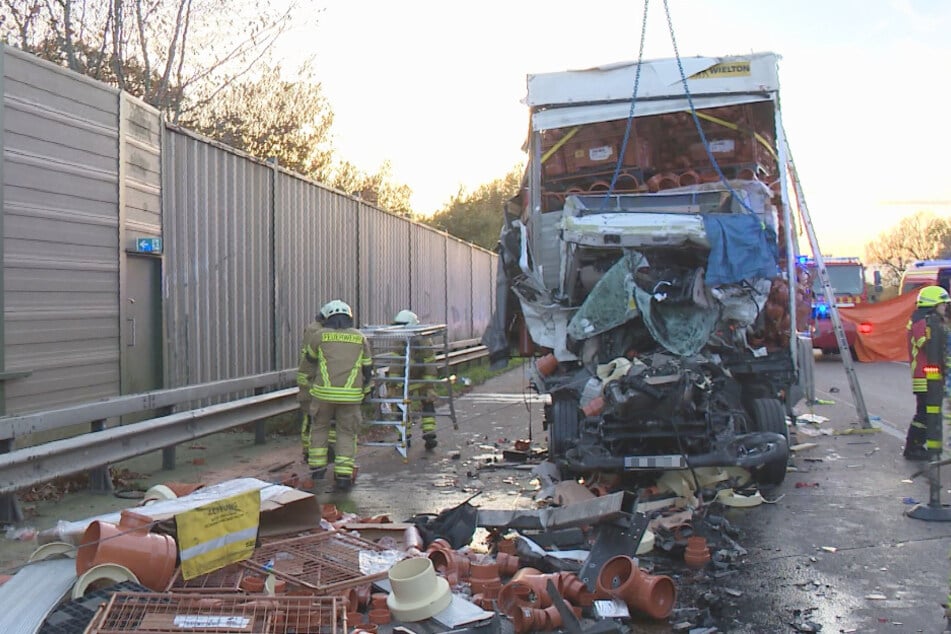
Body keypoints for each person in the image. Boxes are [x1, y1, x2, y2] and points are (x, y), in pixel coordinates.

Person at [307, 300, 373, 491]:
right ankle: (343, 475)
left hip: (323, 395)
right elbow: (367, 368)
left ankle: (317, 470)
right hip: (351, 397)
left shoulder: (319, 336)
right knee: (346, 432)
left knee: (319, 428)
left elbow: (310, 360)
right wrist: (366, 391)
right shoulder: (360, 338)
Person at [904, 285, 951, 460]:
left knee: (928, 412)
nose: (945, 308)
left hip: (931, 375)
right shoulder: (922, 322)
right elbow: (929, 345)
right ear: (933, 304)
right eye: (943, 304)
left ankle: (920, 446)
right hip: (924, 376)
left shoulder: (926, 320)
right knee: (924, 413)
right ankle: (913, 447)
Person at [391, 309, 440, 450]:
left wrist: (430, 386)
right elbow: (395, 364)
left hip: (422, 378)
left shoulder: (424, 341)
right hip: (408, 379)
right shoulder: (400, 340)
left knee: (427, 403)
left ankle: (429, 435)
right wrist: (393, 385)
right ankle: (404, 436)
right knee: (401, 407)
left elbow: (430, 364)